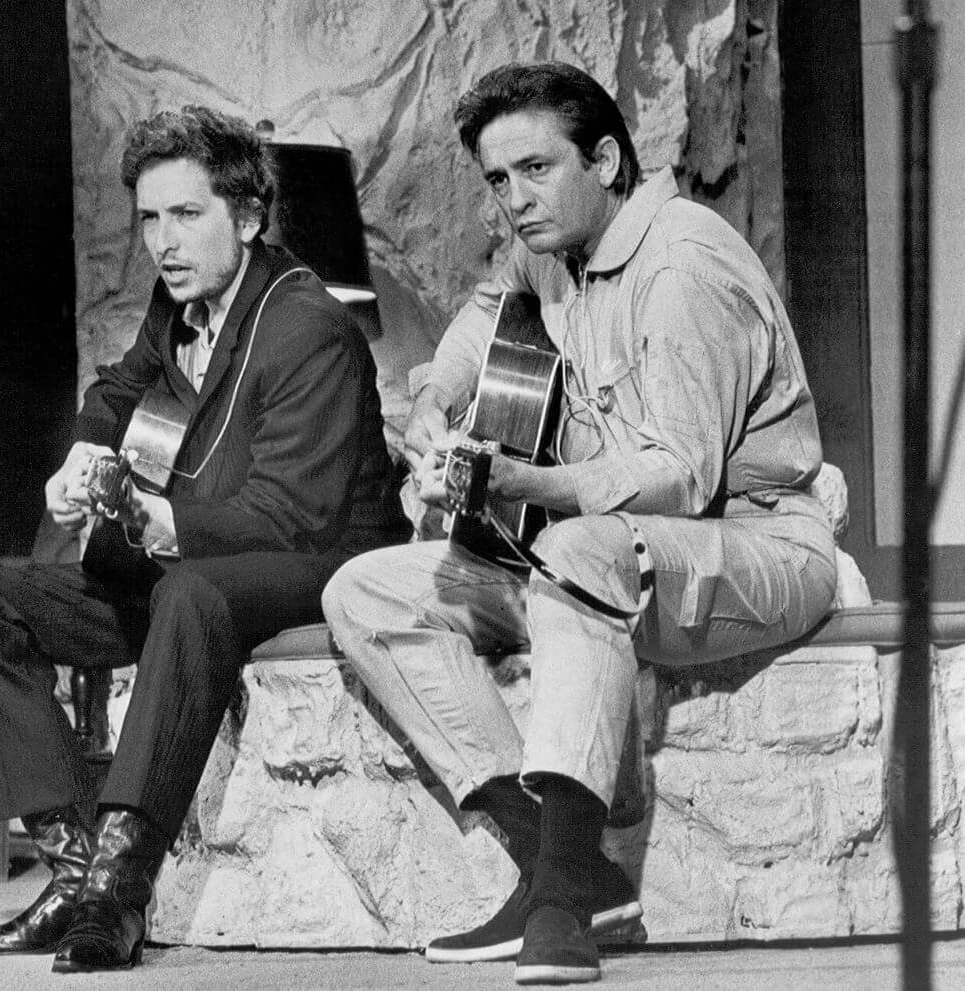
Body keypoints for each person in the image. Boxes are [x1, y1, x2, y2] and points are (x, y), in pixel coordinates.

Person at [321, 61, 837, 986]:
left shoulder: (683, 265)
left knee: (574, 542)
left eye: (534, 169)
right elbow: (481, 319)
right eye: (496, 180)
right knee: (366, 588)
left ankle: (561, 900)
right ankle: (564, 863)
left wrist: (523, 478)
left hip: (760, 547)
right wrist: (437, 402)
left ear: (605, 159)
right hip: (607, 566)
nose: (514, 201)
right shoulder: (550, 248)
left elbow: (679, 476)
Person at [0, 105, 407, 974]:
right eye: (150, 218)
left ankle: (120, 889)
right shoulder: (176, 303)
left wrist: (155, 522)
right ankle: (75, 871)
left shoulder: (309, 324)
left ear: (245, 216)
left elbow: (290, 516)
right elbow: (117, 390)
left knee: (190, 593)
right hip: (198, 558)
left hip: (317, 562)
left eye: (186, 215)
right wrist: (82, 457)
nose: (163, 240)